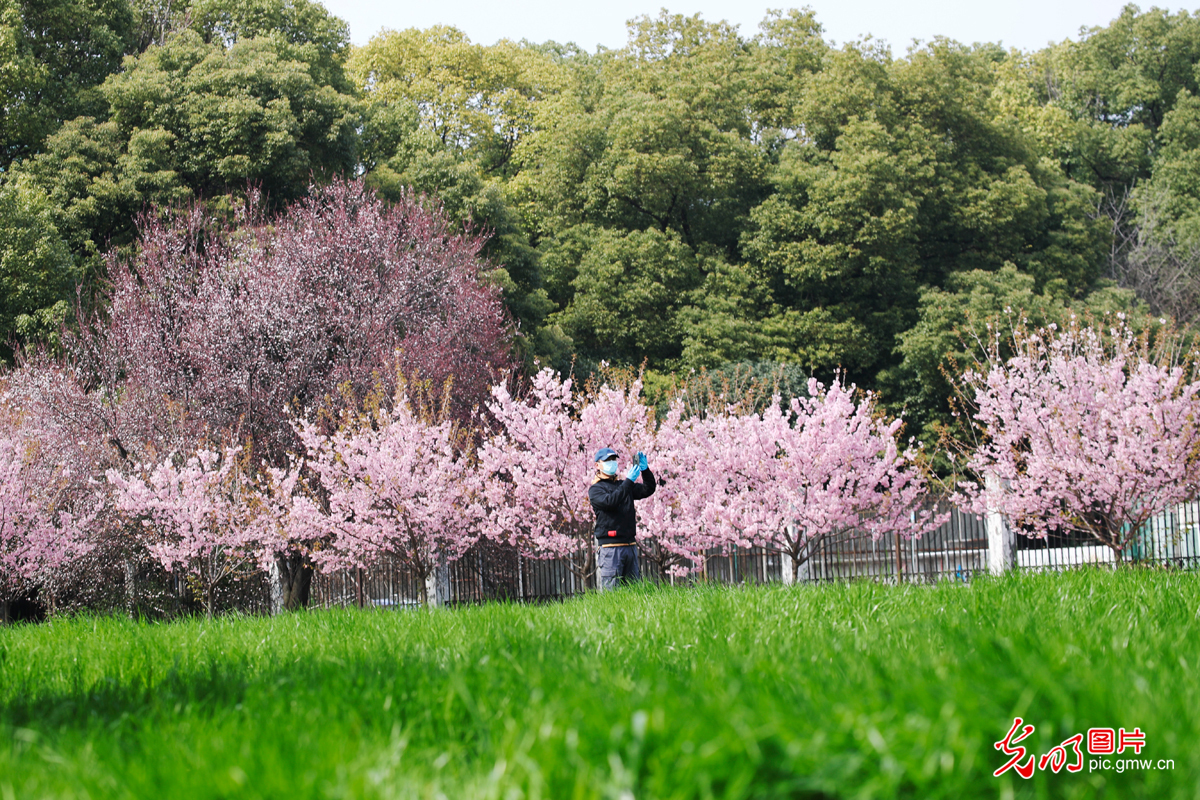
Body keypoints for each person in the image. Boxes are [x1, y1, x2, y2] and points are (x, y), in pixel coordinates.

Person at [588, 447, 656, 590]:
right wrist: (628, 482)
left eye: (614, 459)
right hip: (610, 548)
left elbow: (647, 489)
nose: (612, 463)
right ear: (597, 465)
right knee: (611, 593)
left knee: (634, 593)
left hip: (629, 545)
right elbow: (610, 501)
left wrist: (645, 470)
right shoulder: (596, 489)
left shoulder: (623, 485)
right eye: (607, 460)